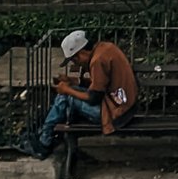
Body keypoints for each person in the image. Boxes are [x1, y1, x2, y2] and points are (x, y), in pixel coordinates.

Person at [19, 28, 138, 158]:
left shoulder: (97, 61)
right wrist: (73, 81)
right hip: (124, 106)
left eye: (74, 60)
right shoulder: (105, 48)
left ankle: (43, 144)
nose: (76, 64)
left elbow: (93, 97)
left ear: (81, 53)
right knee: (67, 94)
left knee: (65, 97)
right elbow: (100, 84)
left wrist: (67, 90)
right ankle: (45, 134)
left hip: (115, 113)